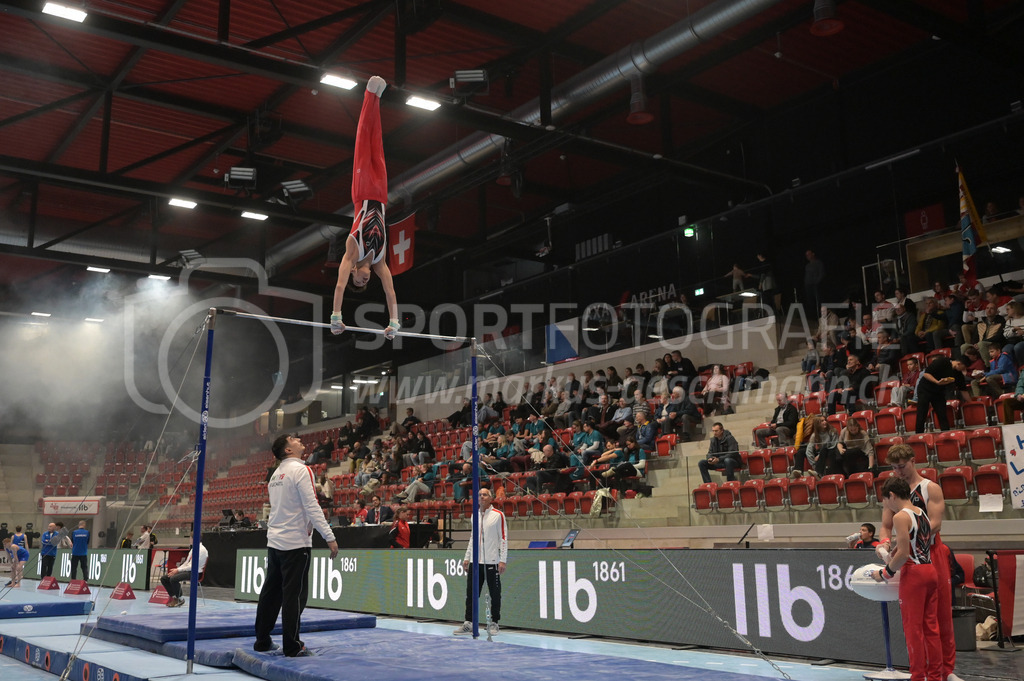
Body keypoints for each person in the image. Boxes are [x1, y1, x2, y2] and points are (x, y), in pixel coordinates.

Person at [879, 445, 961, 681]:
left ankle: (947, 670)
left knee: (941, 614)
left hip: (931, 550)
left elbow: (935, 524)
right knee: (917, 620)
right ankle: (925, 671)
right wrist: (885, 543)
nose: (898, 472)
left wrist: (907, 538)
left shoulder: (930, 488)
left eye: (902, 466)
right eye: (893, 468)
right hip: (909, 553)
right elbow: (886, 525)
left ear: (913, 462)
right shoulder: (893, 492)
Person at [254, 433, 339, 658]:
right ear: (288, 450)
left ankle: (262, 641)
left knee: (270, 593)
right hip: (295, 544)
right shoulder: (301, 470)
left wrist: (310, 523)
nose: (299, 440)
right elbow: (311, 505)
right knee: (294, 596)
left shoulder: (275, 474)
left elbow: (290, 506)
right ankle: (292, 645)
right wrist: (329, 536)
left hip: (275, 541)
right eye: (293, 439)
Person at [330, 76, 400, 340]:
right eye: (364, 282)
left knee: (363, 141)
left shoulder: (352, 249)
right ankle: (378, 99)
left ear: (353, 272)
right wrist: (394, 322)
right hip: (381, 196)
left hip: (362, 192)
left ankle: (369, 95)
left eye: (358, 280)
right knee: (378, 144)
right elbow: (390, 291)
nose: (363, 279)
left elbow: (338, 285)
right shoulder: (380, 261)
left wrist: (336, 318)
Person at [873, 476, 941, 681]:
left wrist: (884, 573)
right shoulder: (922, 513)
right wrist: (894, 550)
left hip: (914, 576)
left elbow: (904, 555)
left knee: (913, 630)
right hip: (930, 571)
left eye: (885, 501)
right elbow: (916, 543)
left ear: (892, 495)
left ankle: (918, 677)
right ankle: (935, 677)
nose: (886, 505)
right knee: (931, 628)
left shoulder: (900, 517)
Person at [453, 487, 507, 637]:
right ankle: (468, 622)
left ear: (490, 498)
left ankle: (495, 622)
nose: (482, 497)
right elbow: (473, 537)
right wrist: (467, 557)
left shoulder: (498, 515)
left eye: (485, 494)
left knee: (495, 593)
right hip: (476, 562)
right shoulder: (474, 516)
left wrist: (502, 560)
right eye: (479, 495)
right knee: (471, 593)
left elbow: (503, 538)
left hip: (492, 561)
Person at [915, 357, 970, 433]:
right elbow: (926, 374)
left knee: (942, 414)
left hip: (938, 392)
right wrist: (937, 382)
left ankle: (946, 434)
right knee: (922, 413)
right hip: (925, 389)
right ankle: (918, 435)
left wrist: (970, 402)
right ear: (959, 364)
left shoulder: (958, 374)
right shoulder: (942, 361)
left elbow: (963, 390)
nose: (963, 370)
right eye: (963, 368)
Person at [161, 541, 209, 608]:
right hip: (188, 570)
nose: (189, 540)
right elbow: (186, 563)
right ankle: (174, 597)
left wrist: (178, 570)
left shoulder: (202, 550)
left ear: (193, 539)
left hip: (196, 573)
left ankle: (180, 599)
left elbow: (193, 566)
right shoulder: (193, 549)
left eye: (190, 538)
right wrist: (177, 569)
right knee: (164, 578)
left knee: (173, 579)